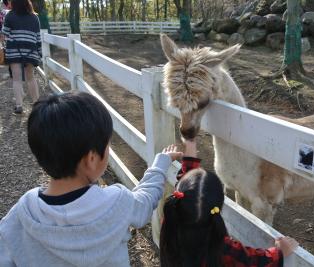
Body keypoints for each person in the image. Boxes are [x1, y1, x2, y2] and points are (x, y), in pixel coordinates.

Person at [0, 91, 183, 267]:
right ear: (92, 159)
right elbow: (145, 201)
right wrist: (160, 164)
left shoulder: (22, 214)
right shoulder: (116, 203)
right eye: (107, 145)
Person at [160, 140, 299, 267]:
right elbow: (253, 262)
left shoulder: (171, 219)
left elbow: (189, 188)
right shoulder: (221, 248)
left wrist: (190, 143)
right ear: (218, 207)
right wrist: (280, 252)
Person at [2, 0, 41, 114]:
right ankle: (36, 104)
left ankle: (19, 106)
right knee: (31, 78)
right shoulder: (34, 17)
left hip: (14, 51)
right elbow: (38, 38)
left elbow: (5, 34)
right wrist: (39, 52)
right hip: (30, 51)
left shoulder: (10, 16)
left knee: (17, 79)